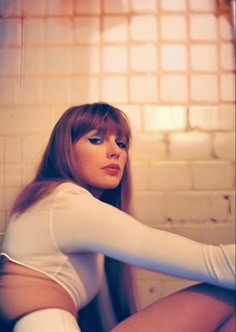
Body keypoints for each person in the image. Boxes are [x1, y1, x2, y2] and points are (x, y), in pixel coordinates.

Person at [0, 102, 235, 332]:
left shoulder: (56, 205)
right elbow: (213, 262)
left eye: (121, 143)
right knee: (227, 292)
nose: (115, 151)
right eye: (96, 140)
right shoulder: (64, 202)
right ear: (65, 149)